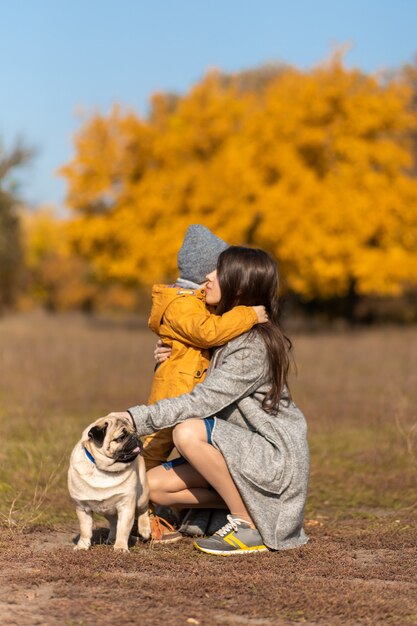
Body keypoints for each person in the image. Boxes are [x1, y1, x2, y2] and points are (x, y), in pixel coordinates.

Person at [104, 246, 309, 555]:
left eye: (217, 272)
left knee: (188, 431)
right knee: (151, 485)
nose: (207, 278)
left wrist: (135, 418)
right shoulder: (225, 334)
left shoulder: (251, 347)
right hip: (238, 452)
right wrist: (170, 359)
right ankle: (265, 506)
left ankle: (248, 523)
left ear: (238, 287)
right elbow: (194, 373)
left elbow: (201, 401)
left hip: (271, 457)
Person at [143, 225, 268, 541]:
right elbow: (207, 334)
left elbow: (207, 338)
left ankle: (244, 509)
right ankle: (143, 515)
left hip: (238, 439)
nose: (214, 279)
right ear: (203, 275)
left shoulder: (248, 341)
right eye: (214, 271)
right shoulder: (189, 306)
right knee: (149, 457)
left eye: (222, 273)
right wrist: (250, 315)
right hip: (182, 399)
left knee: (167, 447)